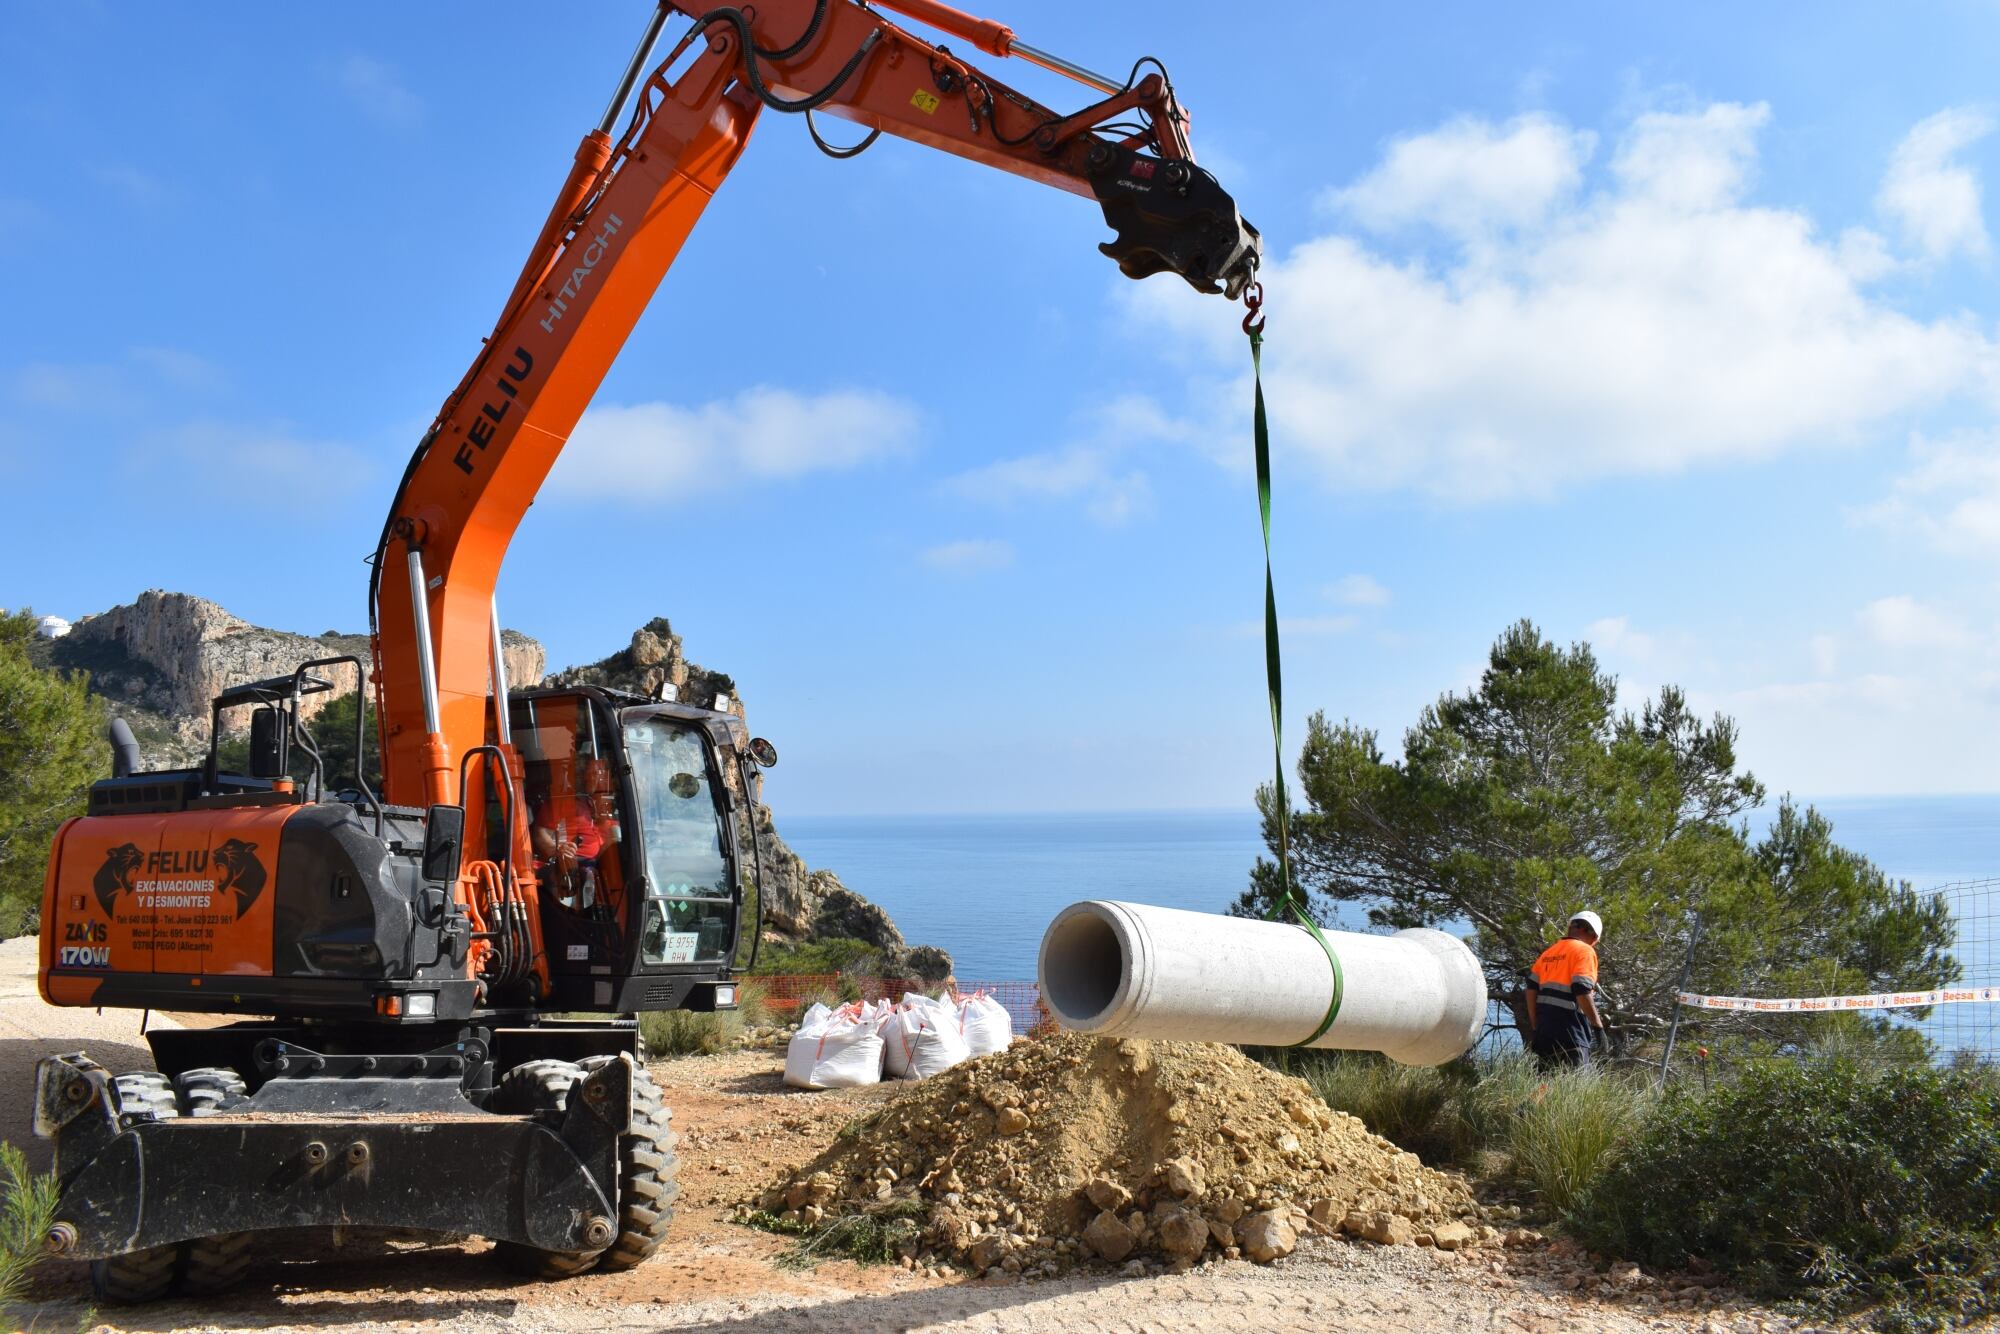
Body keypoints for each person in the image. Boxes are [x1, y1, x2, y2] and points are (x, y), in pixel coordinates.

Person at [1524, 910, 1606, 1069]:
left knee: (1543, 1086)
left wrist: (1535, 1024)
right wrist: (1598, 1026)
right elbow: (1581, 989)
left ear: (1572, 927)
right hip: (1571, 1032)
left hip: (1544, 1032)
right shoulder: (1585, 951)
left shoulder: (1549, 952)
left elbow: (1530, 989)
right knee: (1577, 1088)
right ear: (1591, 934)